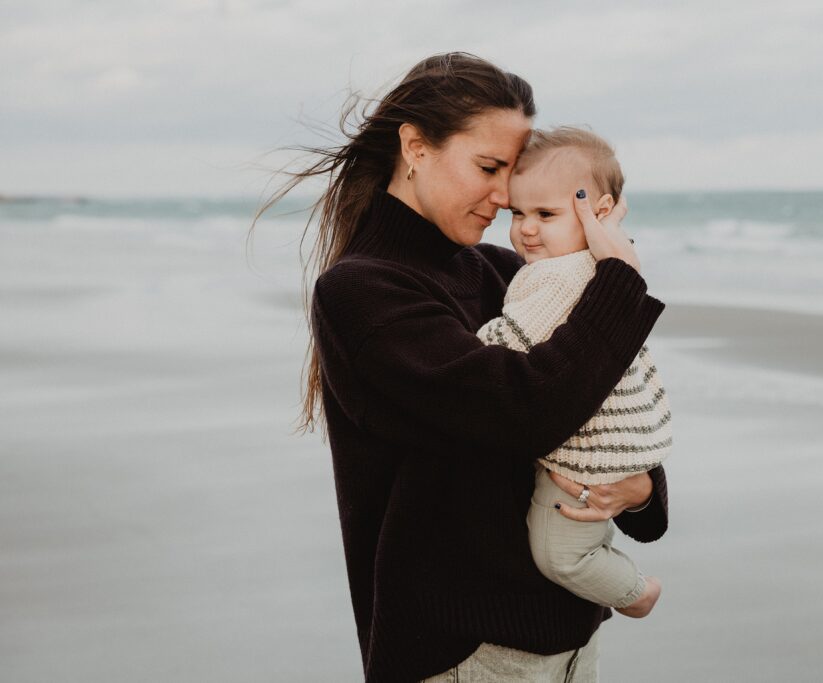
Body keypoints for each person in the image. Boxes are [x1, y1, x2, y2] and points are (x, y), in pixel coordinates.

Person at [258, 52, 669, 682]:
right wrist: (618, 279)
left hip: (569, 640)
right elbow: (520, 411)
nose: (506, 197)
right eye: (489, 167)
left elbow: (603, 399)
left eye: (513, 171)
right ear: (416, 148)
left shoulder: (503, 273)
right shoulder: (363, 293)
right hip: (466, 655)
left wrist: (640, 490)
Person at [477, 126, 672, 620]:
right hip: (610, 452)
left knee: (560, 554)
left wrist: (471, 342)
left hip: (587, 461)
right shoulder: (597, 268)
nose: (525, 228)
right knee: (579, 542)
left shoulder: (559, 275)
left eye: (546, 214)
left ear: (598, 212)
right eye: (518, 213)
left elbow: (506, 343)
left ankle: (637, 592)